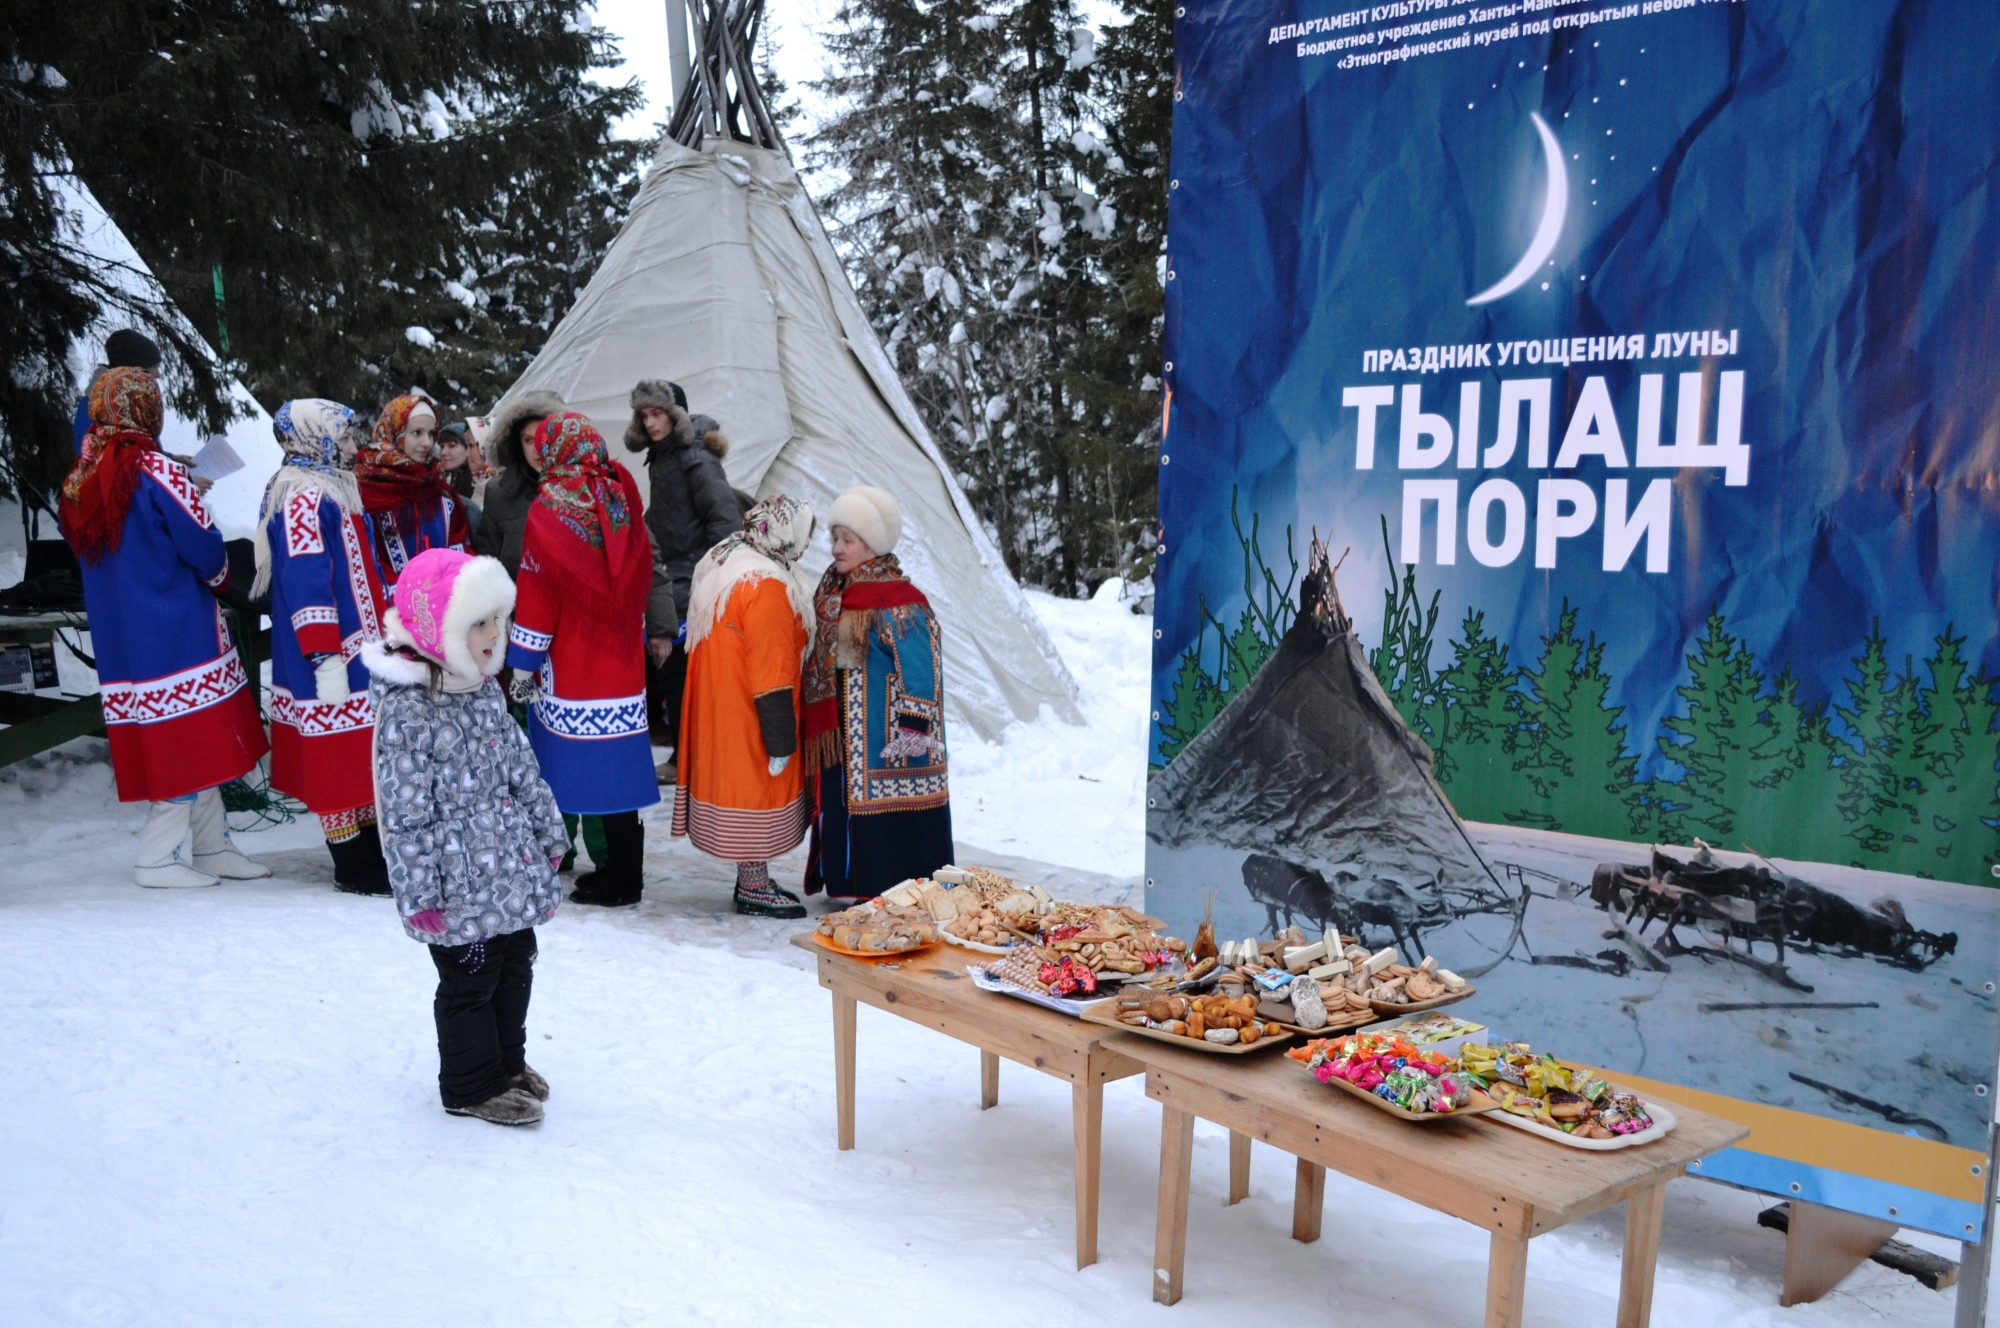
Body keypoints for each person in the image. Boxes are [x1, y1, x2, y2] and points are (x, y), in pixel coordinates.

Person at [363, 547, 567, 1127]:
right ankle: (470, 1085)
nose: (492, 635)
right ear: (439, 628)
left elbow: (522, 768)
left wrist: (548, 835)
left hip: (507, 868)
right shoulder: (408, 711)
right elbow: (402, 811)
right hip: (453, 883)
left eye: (497, 620)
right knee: (470, 976)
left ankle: (505, 1063)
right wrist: (419, 892)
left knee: (516, 961)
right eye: (477, 622)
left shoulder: (481, 690)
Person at [56, 367, 271, 888]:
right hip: (177, 629)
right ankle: (156, 855)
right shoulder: (158, 472)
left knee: (194, 738)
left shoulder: (80, 482)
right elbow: (203, 549)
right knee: (193, 737)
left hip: (123, 640)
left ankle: (210, 843)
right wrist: (217, 562)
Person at [504, 412, 660, 907]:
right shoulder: (618, 495)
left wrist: (522, 664)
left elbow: (537, 595)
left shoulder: (550, 510)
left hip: (572, 662)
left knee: (570, 767)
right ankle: (622, 873)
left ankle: (595, 873)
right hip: (620, 660)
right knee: (617, 769)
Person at [252, 398, 393, 894]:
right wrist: (323, 654)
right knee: (334, 758)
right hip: (331, 654)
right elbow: (308, 581)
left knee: (358, 755)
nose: (354, 447)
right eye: (345, 436)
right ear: (316, 437)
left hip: (359, 648)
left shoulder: (330, 487)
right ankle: (353, 863)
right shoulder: (303, 499)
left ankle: (374, 852)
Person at [801, 485, 954, 901]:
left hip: (885, 742)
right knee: (842, 809)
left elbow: (922, 669)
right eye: (835, 538)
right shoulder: (835, 594)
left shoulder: (897, 601)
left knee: (885, 827)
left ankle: (890, 889)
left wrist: (913, 726)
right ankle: (848, 885)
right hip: (842, 738)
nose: (836, 548)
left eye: (847, 540)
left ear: (872, 545)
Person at [673, 495, 816, 918]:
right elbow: (771, 672)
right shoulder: (767, 586)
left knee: (743, 790)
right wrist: (779, 743)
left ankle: (751, 878)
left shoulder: (730, 556)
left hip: (722, 702)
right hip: (750, 713)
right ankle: (754, 888)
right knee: (755, 795)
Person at [624, 381, 740, 763]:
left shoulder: (696, 459)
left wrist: (708, 578)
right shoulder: (662, 457)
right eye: (645, 415)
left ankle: (692, 757)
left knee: (685, 675)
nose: (651, 423)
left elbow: (724, 522)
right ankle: (684, 754)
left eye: (658, 414)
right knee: (673, 676)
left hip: (693, 581)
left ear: (676, 415)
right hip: (671, 577)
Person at [356, 392, 469, 597]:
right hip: (390, 613)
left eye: (431, 434)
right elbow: (364, 561)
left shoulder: (439, 493)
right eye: (417, 432)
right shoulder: (366, 491)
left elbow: (459, 550)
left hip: (445, 609)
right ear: (394, 433)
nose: (427, 443)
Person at [471, 392, 563, 578]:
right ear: (517, 442)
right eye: (528, 440)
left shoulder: (588, 490)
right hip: (516, 604)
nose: (537, 449)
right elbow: (486, 569)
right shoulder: (498, 494)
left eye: (545, 437)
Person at [73, 329, 162, 453]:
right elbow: (103, 467)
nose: (158, 375)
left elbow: (143, 453)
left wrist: (170, 459)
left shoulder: (130, 404)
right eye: (154, 367)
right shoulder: (96, 412)